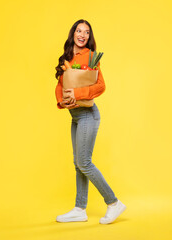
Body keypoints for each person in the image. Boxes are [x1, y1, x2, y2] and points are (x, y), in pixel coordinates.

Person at [54, 19, 126, 224]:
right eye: (79, 30)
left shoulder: (92, 57)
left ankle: (113, 203)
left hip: (88, 114)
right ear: (73, 33)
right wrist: (63, 100)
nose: (82, 35)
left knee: (84, 162)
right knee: (78, 163)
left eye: (86, 32)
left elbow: (100, 86)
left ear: (89, 36)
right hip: (75, 116)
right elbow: (61, 85)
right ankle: (80, 208)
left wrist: (76, 93)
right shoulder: (66, 57)